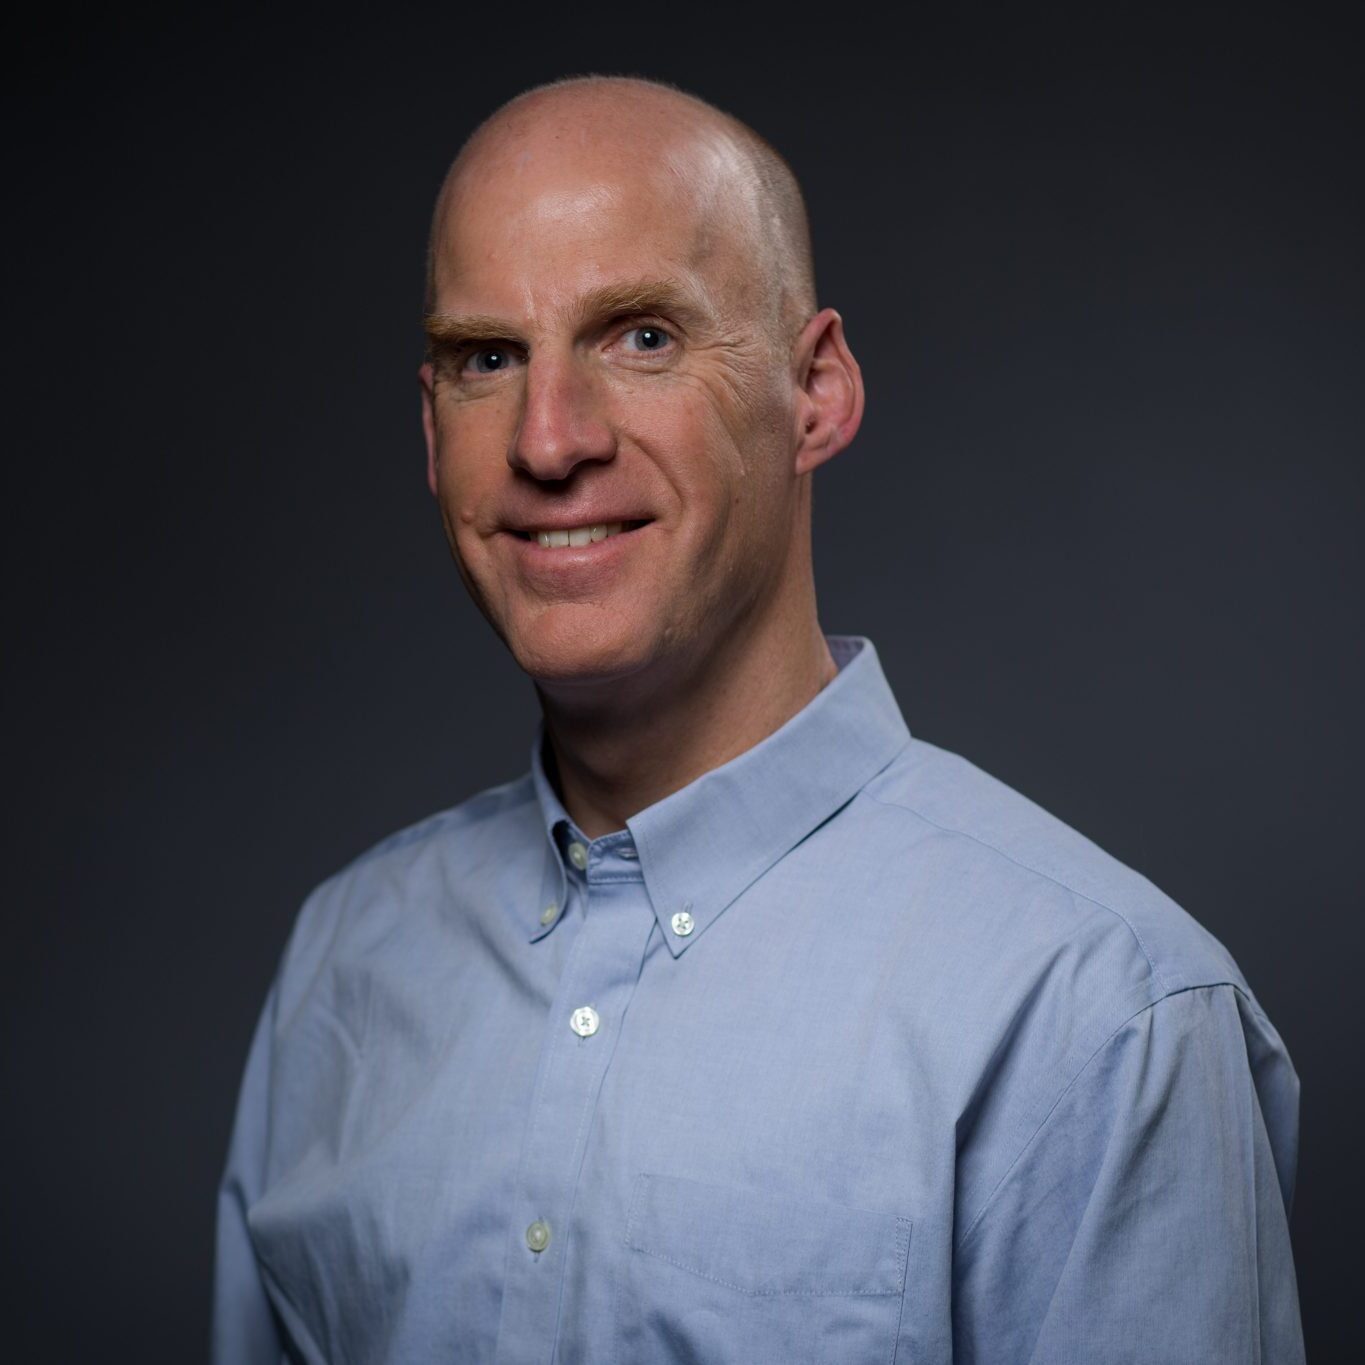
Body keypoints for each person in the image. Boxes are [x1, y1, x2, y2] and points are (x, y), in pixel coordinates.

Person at [211, 74, 1305, 1364]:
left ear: (815, 393)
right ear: (429, 424)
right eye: (487, 359)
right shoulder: (344, 963)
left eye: (642, 337)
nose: (548, 442)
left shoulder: (1099, 1012)